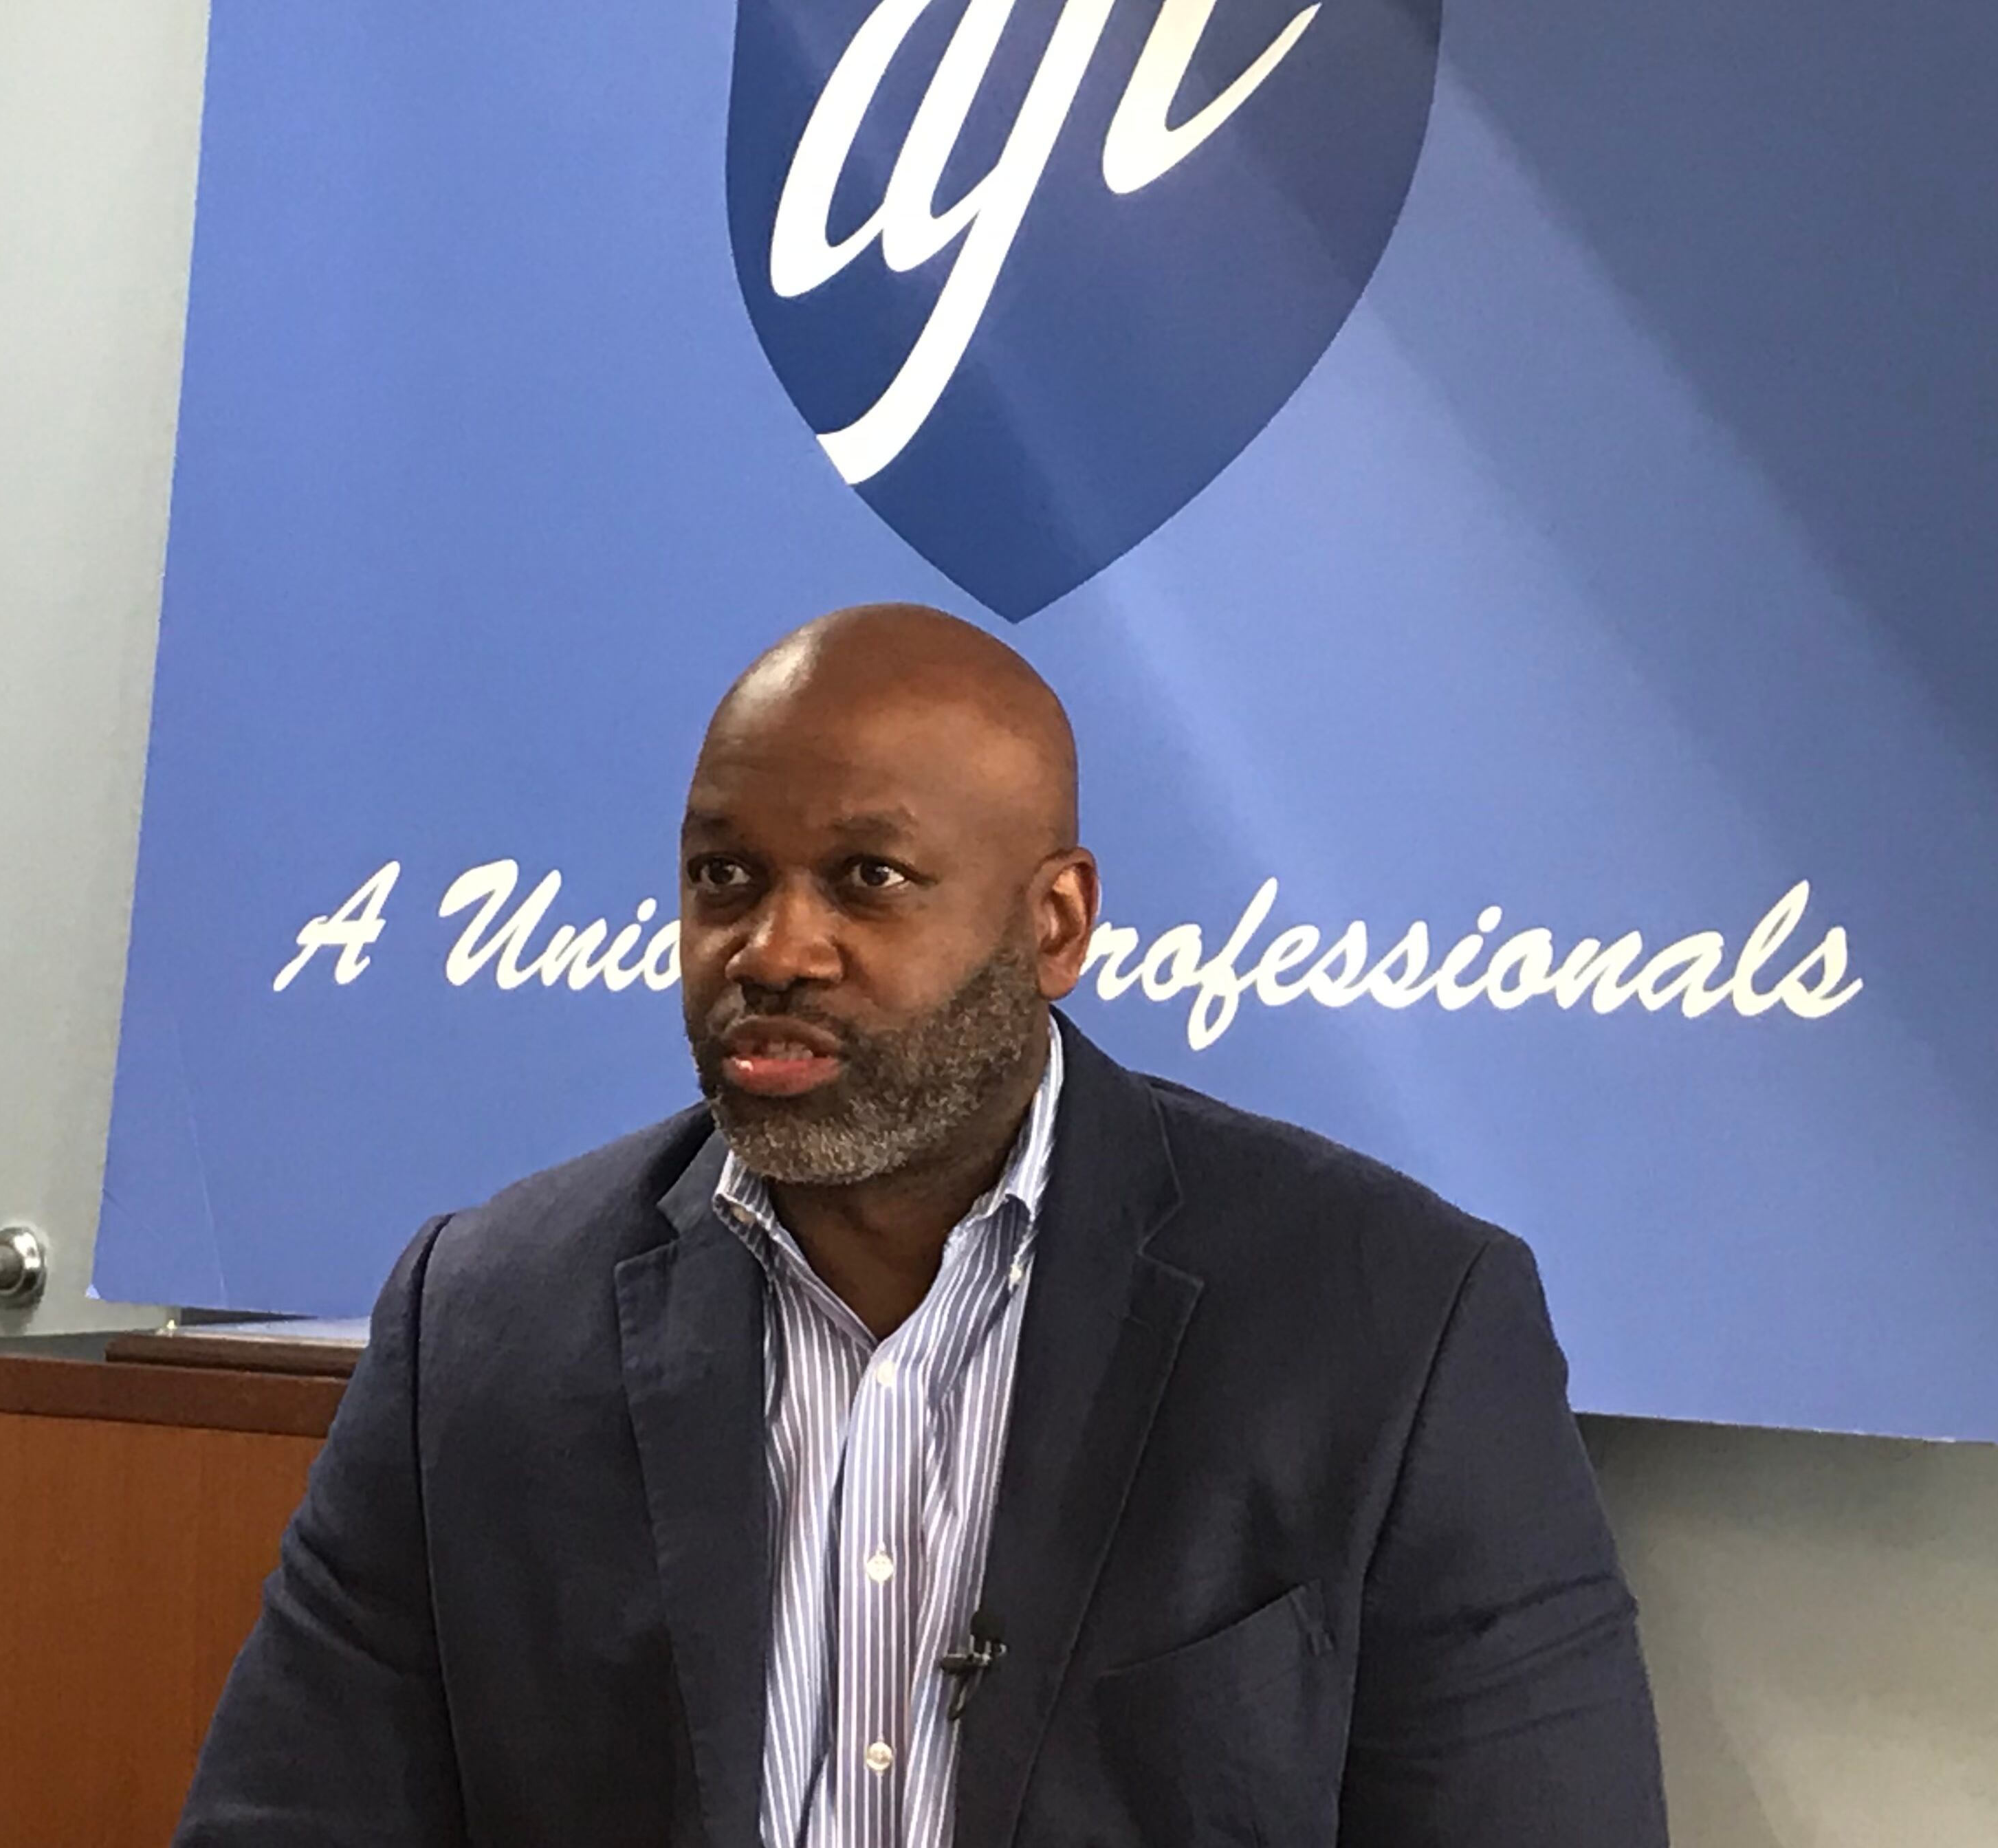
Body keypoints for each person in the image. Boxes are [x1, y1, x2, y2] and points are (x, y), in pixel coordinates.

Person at [177, 604, 1666, 1846]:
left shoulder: (1392, 1326)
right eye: (725, 878)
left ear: (1057, 923)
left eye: (867, 881)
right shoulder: (482, 1322)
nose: (775, 947)